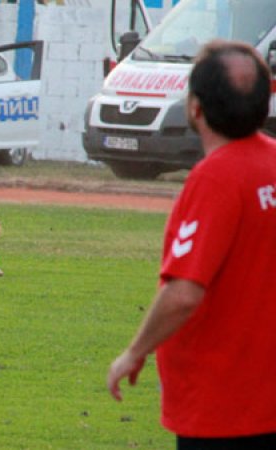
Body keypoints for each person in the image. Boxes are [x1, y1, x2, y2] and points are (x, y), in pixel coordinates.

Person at [106, 40, 276, 448]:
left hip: (223, 403)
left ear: (196, 108)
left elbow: (184, 293)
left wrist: (135, 351)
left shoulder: (215, 179)